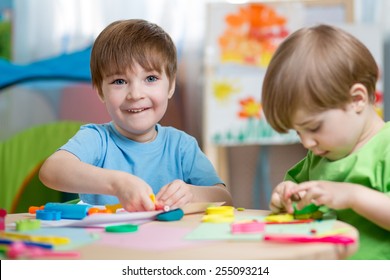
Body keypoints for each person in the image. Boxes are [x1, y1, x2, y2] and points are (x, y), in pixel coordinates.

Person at [39, 19, 232, 212]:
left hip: (171, 242)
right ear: (100, 91)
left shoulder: (181, 146)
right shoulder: (97, 139)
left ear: (170, 86)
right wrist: (117, 183)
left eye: (150, 78)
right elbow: (51, 170)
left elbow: (224, 198)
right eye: (120, 81)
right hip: (106, 241)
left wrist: (191, 193)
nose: (135, 94)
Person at [261, 24, 390, 259]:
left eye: (313, 127)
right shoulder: (319, 156)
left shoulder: (386, 148)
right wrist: (286, 197)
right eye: (298, 132)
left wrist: (352, 196)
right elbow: (297, 203)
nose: (307, 143)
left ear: (357, 99)